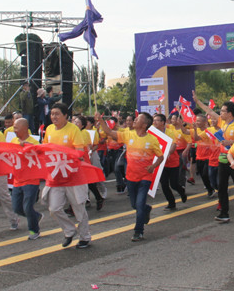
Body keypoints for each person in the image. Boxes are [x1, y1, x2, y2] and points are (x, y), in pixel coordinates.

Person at [96, 111, 163, 241]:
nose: (135, 120)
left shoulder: (152, 139)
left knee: (139, 205)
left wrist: (153, 166)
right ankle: (147, 209)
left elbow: (160, 157)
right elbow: (109, 132)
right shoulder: (128, 134)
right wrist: (100, 120)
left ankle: (138, 231)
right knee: (134, 205)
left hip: (145, 177)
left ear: (144, 125)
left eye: (138, 119)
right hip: (131, 177)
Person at [192, 92, 234, 222]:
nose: (221, 113)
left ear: (230, 113)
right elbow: (209, 111)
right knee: (222, 187)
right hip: (222, 159)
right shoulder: (222, 123)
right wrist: (197, 101)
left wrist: (231, 142)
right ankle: (224, 213)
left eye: (223, 111)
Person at [43, 103, 91, 248]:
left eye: (57, 114)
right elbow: (44, 148)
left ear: (65, 116)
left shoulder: (73, 130)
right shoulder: (49, 129)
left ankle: (85, 237)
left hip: (73, 175)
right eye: (52, 114)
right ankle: (69, 230)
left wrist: (65, 155)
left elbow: (79, 152)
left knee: (78, 208)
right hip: (57, 175)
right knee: (54, 208)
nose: (54, 117)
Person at [10, 118, 43, 240]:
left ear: (25, 128)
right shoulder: (13, 141)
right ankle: (35, 216)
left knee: (28, 207)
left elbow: (41, 153)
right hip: (17, 180)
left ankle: (34, 230)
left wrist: (29, 147)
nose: (14, 130)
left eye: (16, 128)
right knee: (17, 208)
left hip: (31, 180)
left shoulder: (34, 142)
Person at [153, 113, 187, 211]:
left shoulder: (169, 132)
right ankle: (171, 203)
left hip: (173, 162)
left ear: (163, 122)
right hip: (161, 163)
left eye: (157, 120)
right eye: (154, 120)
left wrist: (168, 153)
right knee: (164, 184)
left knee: (174, 184)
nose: (154, 122)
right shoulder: (152, 132)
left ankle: (181, 191)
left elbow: (173, 145)